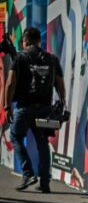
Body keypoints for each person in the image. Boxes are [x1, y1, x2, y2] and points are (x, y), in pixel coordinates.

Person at [4, 26, 66, 193]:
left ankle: (28, 172)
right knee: (42, 143)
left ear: (25, 41)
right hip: (45, 108)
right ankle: (45, 182)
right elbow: (60, 83)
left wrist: (7, 106)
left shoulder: (20, 58)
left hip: (24, 107)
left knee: (15, 136)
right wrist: (63, 101)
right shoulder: (51, 59)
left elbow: (10, 83)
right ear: (39, 41)